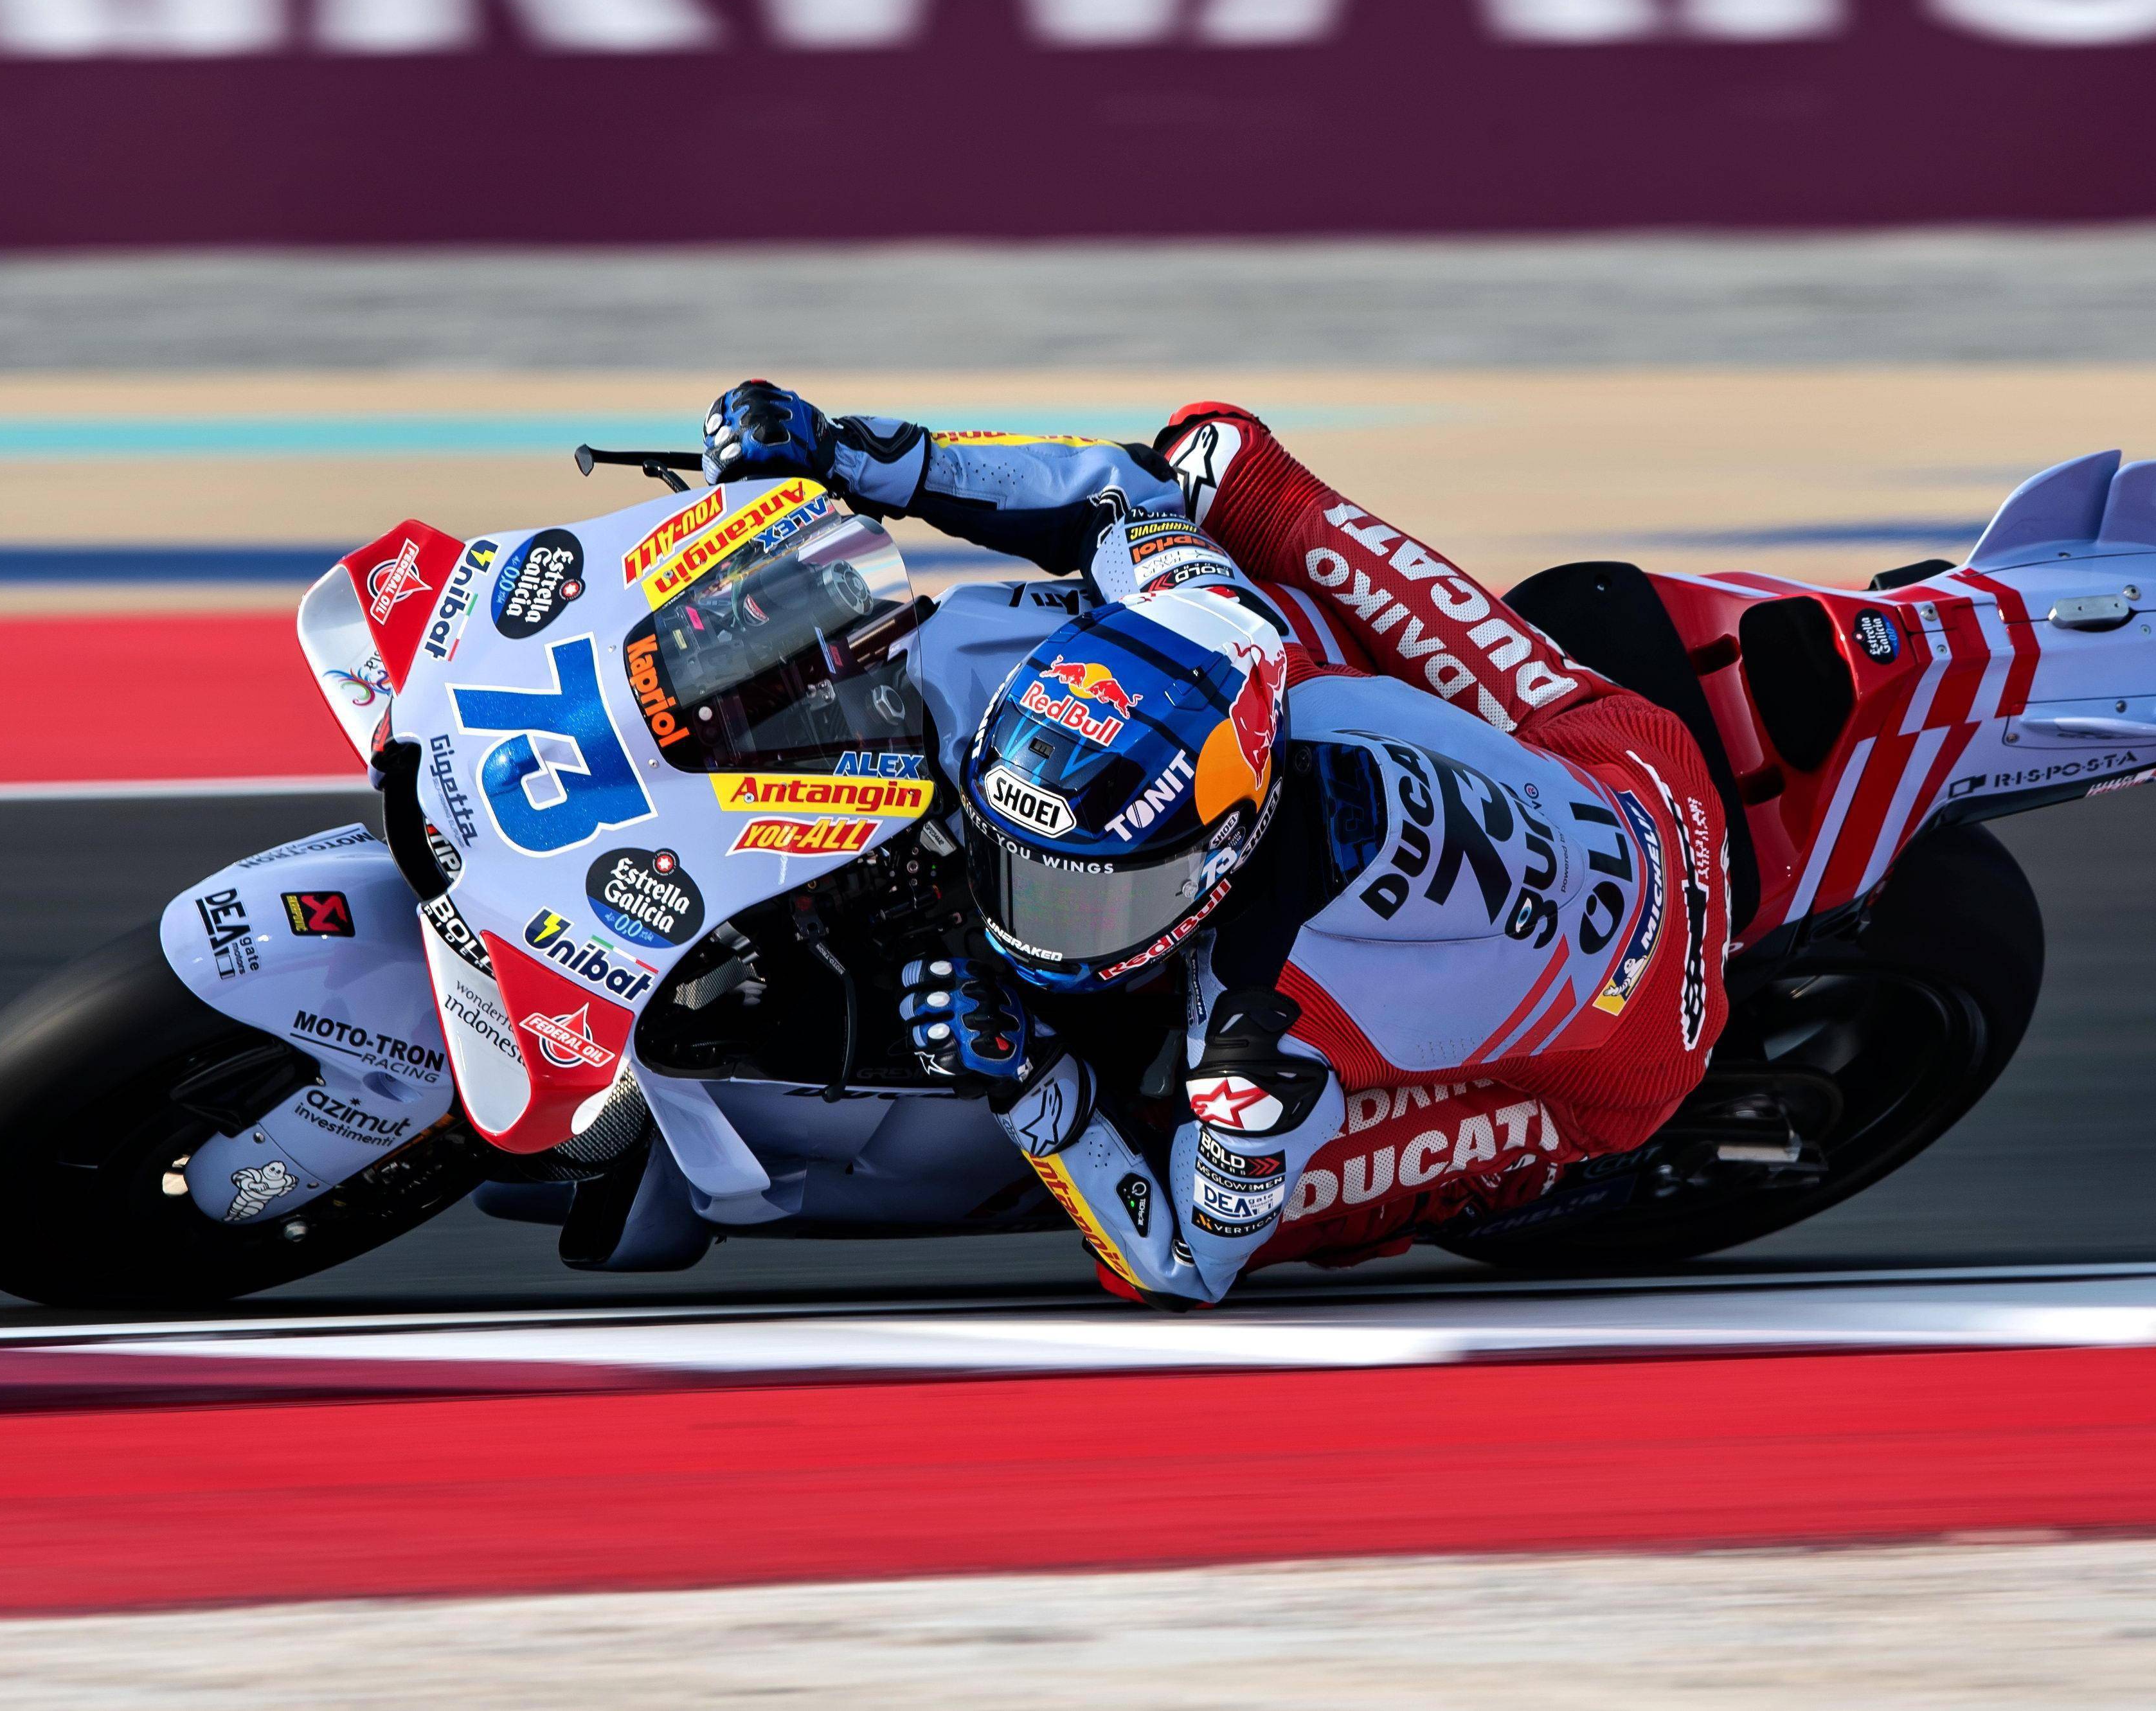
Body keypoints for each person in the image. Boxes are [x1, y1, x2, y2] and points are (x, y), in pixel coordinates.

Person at [701, 381, 1732, 1308]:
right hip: (1628, 764)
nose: (1031, 919)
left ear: (1216, 860)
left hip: (1633, 1039)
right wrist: (850, 455)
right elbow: (1121, 493)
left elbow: (1183, 1260)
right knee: (1216, 455)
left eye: (1091, 896)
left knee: (1165, 1220)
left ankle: (1544, 1163)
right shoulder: (1209, 617)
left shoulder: (1253, 1043)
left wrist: (1028, 1074)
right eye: (1014, 869)